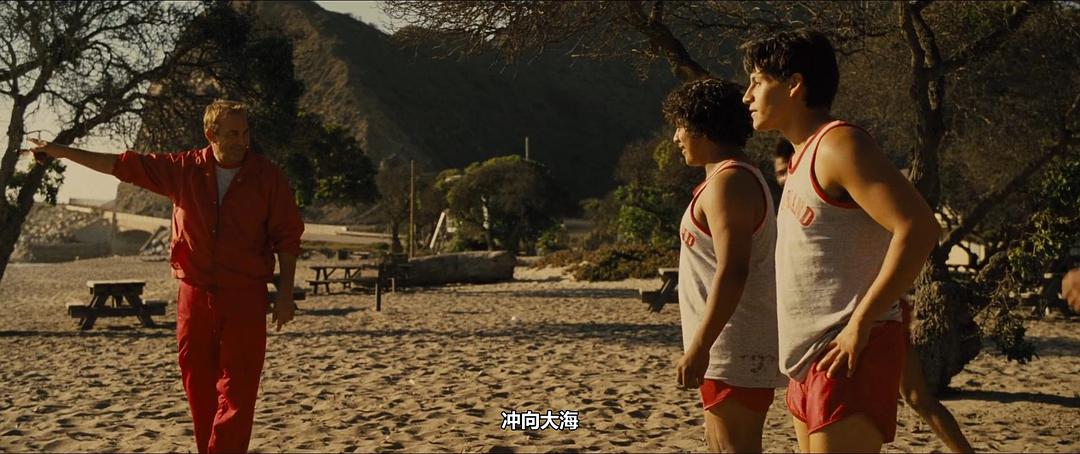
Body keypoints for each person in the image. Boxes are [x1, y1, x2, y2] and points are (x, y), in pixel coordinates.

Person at [27, 100, 304, 454]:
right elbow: (120, 165)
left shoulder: (267, 177)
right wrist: (60, 151)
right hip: (194, 296)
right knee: (198, 388)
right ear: (211, 134)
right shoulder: (183, 169)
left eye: (246, 133)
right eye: (233, 134)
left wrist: (285, 294)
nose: (243, 141)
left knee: (239, 390)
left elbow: (287, 236)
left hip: (244, 296)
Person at [741, 29, 941, 453]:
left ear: (794, 85)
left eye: (757, 81)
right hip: (807, 358)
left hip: (847, 349)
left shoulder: (839, 145)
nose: (747, 96)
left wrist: (860, 323)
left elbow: (919, 227)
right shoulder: (801, 155)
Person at [773, 148, 973, 453]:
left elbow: (916, 228)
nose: (781, 177)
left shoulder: (841, 160)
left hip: (868, 321)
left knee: (918, 396)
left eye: (783, 169)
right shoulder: (805, 183)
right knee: (917, 397)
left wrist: (862, 319)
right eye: (778, 172)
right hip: (831, 340)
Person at [665, 78, 787, 452]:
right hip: (727, 347)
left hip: (734, 346)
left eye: (680, 126)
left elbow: (734, 269)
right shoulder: (724, 178)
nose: (676, 137)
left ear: (704, 128)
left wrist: (701, 346)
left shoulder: (730, 182)